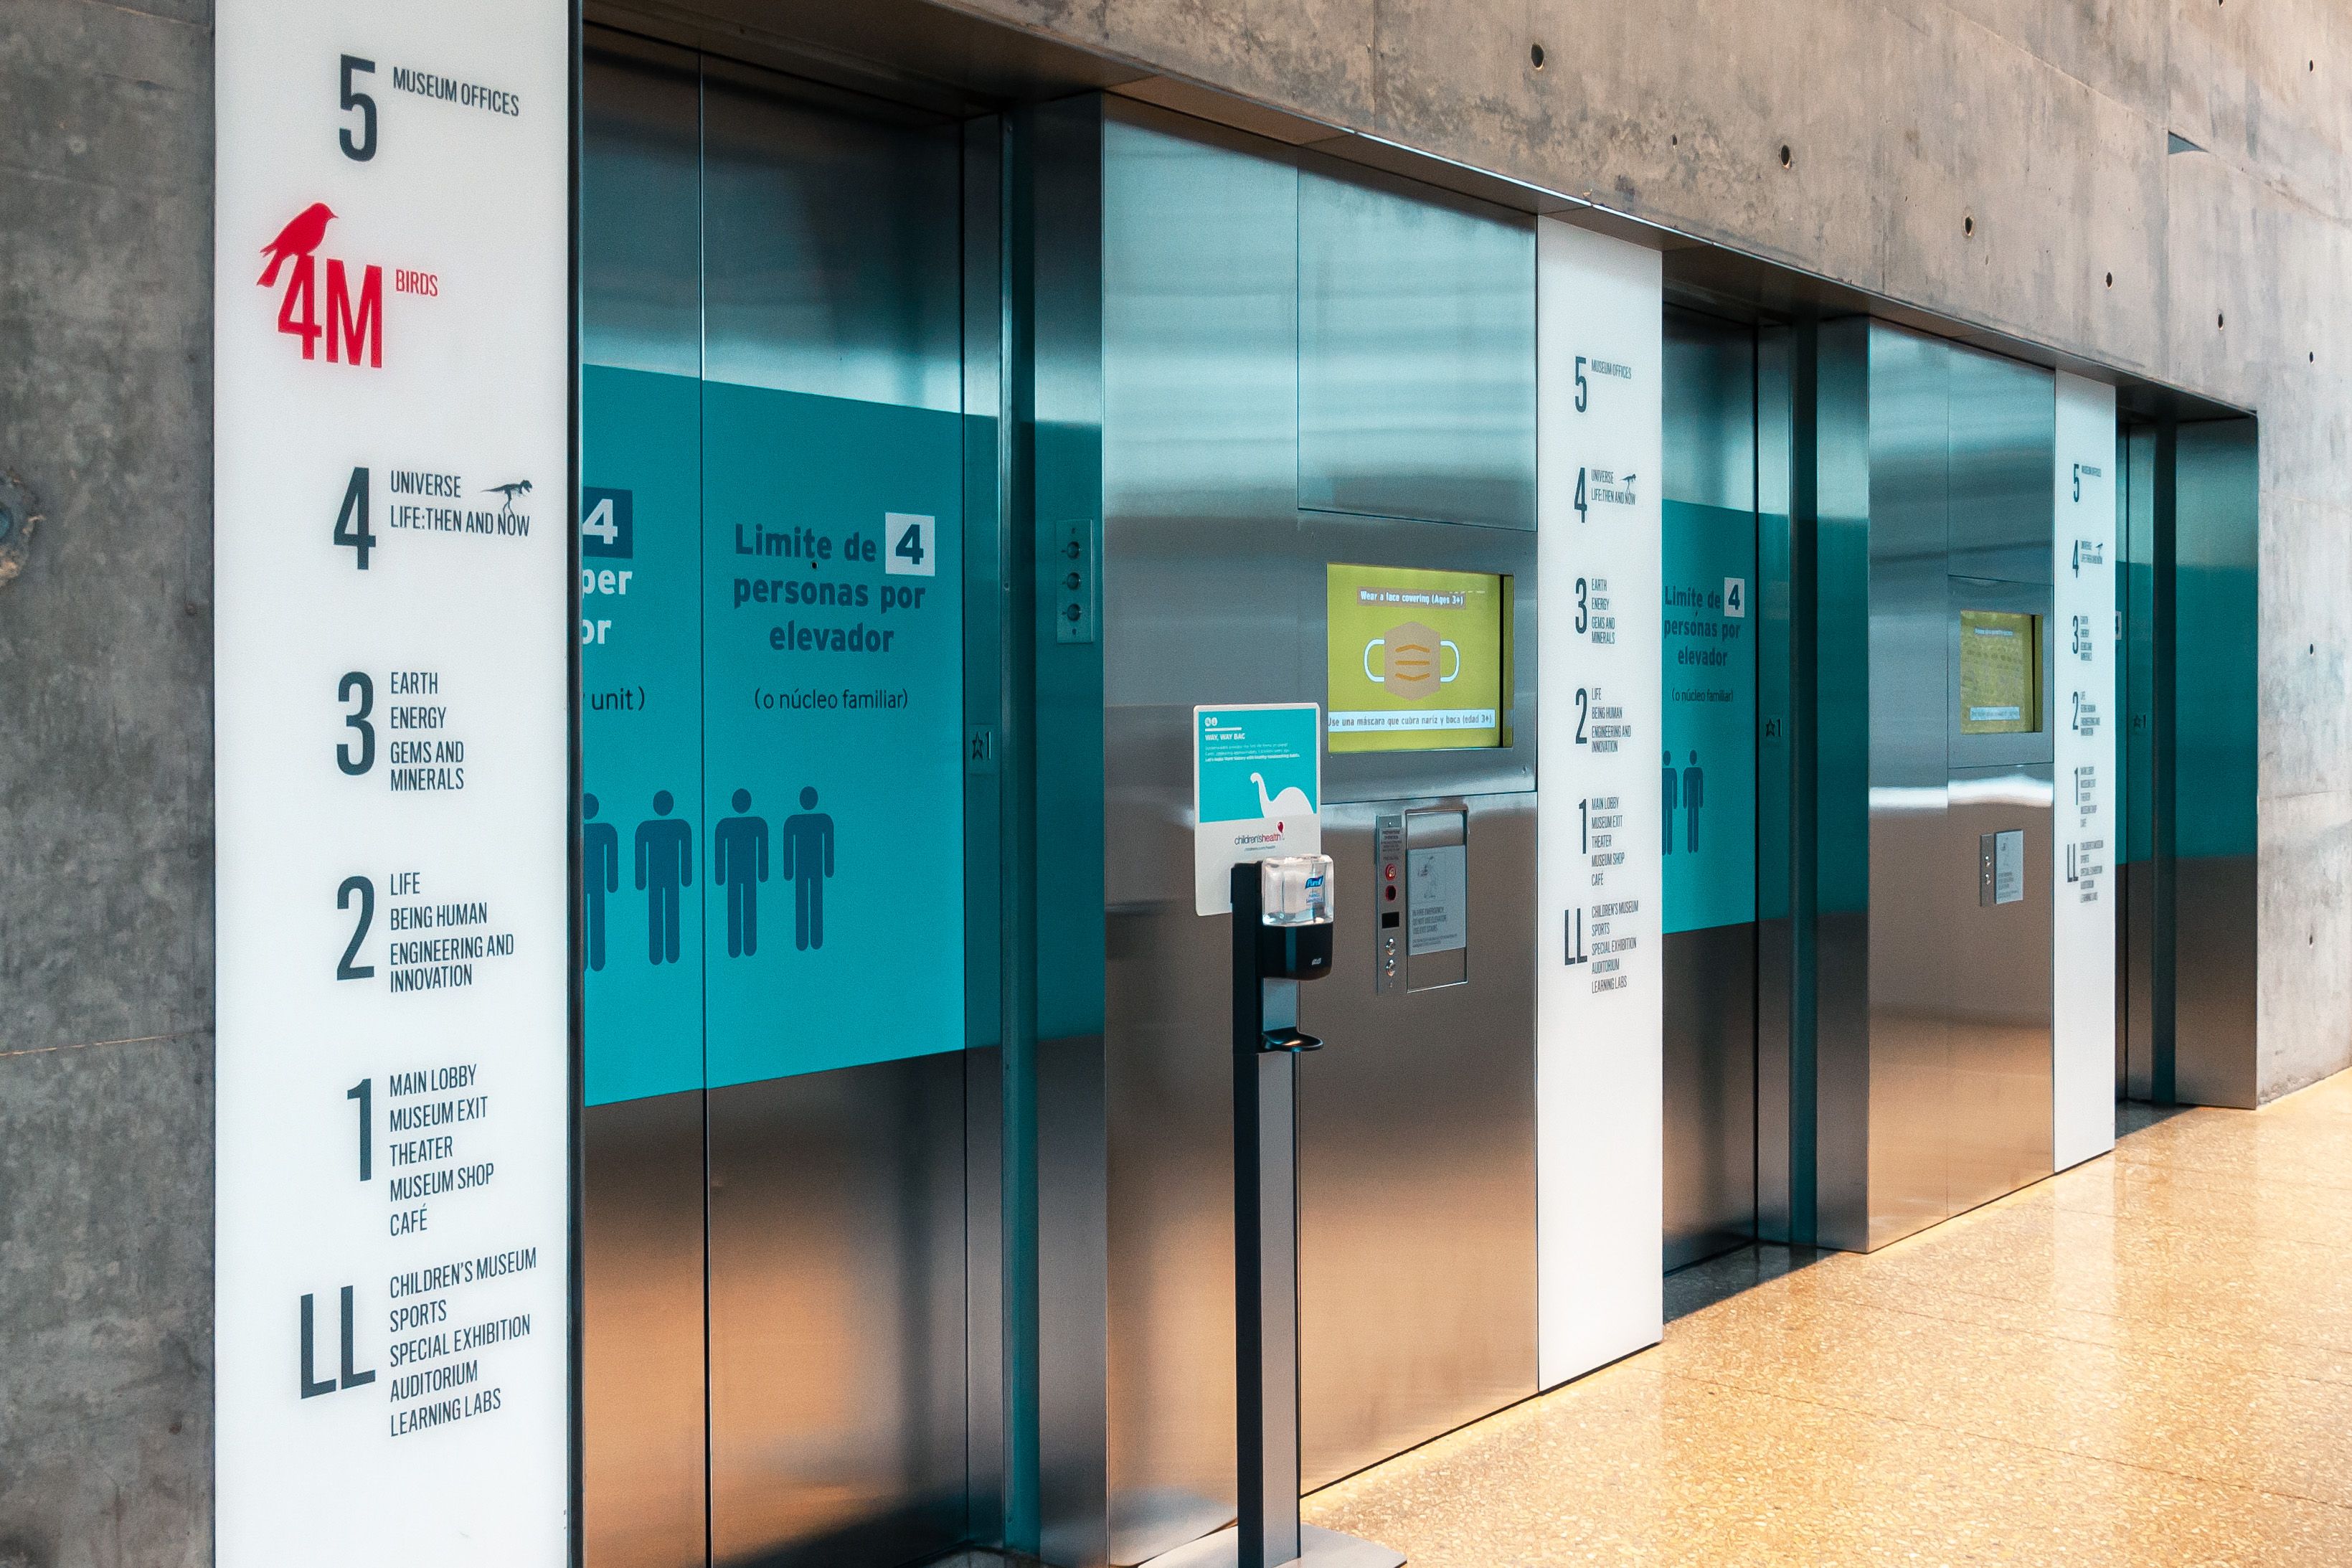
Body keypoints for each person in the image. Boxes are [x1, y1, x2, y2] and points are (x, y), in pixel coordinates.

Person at [634, 790, 693, 965]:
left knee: (668, 911)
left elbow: (686, 853)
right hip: (660, 879)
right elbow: (640, 855)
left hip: (668, 878)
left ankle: (669, 951)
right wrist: (640, 879)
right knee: (659, 912)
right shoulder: (646, 828)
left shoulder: (680, 827)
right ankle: (658, 952)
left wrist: (686, 877)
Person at [712, 788, 770, 958]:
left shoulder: (756, 824)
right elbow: (720, 852)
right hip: (737, 875)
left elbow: (763, 850)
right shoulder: (727, 825)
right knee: (738, 906)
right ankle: (737, 945)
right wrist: (720, 875)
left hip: (741, 874)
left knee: (745, 906)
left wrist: (763, 873)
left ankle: (745, 945)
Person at [780, 785, 836, 951]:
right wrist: (789, 871)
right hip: (804, 869)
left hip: (810, 869)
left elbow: (828, 847)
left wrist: (829, 868)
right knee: (805, 900)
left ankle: (813, 939)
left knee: (813, 900)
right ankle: (804, 939)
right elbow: (788, 848)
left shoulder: (822, 820)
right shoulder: (794, 822)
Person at [580, 793, 618, 972]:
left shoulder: (606, 830)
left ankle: (596, 959)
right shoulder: (604, 830)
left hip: (597, 885)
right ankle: (591, 960)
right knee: (591, 918)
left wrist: (612, 882)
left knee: (595, 918)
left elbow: (611, 858)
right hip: (591, 885)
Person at [1684, 750, 1705, 855]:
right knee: (1690, 822)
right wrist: (1684, 801)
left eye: (1694, 757)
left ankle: (1695, 846)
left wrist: (1701, 800)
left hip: (1695, 802)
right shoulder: (1687, 771)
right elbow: (1684, 787)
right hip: (1690, 802)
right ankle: (1690, 846)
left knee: (1695, 822)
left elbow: (1701, 787)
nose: (1693, 759)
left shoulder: (1698, 771)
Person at [1661, 750, 1678, 856]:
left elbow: (1675, 788)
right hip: (1663, 803)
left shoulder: (1673, 772)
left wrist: (1676, 802)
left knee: (1669, 824)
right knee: (1664, 824)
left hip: (1669, 803)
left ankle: (1669, 848)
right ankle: (1664, 848)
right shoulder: (1662, 772)